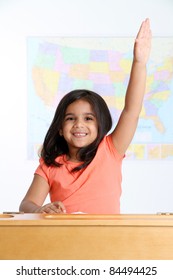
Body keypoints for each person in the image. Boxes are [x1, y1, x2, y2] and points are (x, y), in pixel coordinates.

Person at [19, 18, 152, 214]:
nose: (79, 125)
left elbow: (132, 110)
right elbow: (26, 205)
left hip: (107, 240)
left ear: (100, 125)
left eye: (88, 118)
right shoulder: (50, 165)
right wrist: (40, 209)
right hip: (66, 241)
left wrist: (139, 62)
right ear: (59, 128)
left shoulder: (110, 150)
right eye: (70, 118)